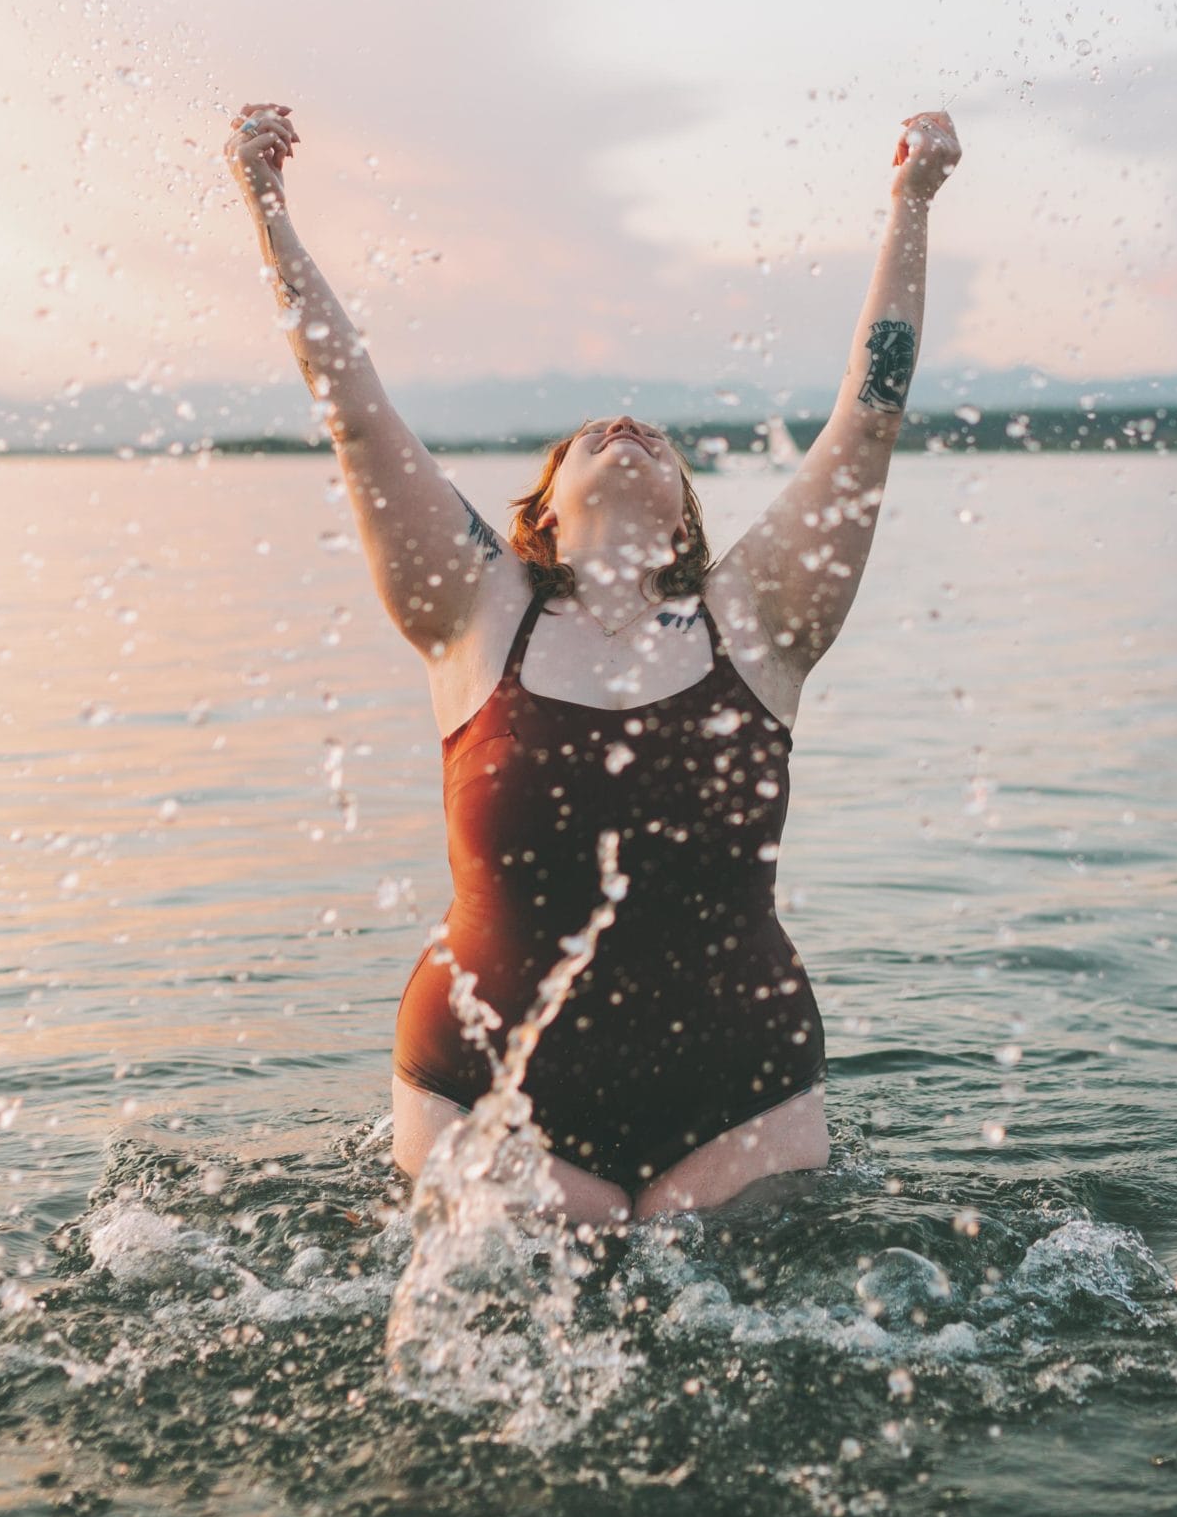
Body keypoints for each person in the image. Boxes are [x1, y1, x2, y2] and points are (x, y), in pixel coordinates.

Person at [224, 100, 961, 1225]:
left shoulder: (756, 620)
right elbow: (355, 415)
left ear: (682, 527)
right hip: (487, 1101)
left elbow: (870, 415)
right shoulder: (477, 611)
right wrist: (264, 206)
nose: (626, 424)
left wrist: (909, 206)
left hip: (739, 1103)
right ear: (543, 515)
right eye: (587, 437)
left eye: (654, 436)